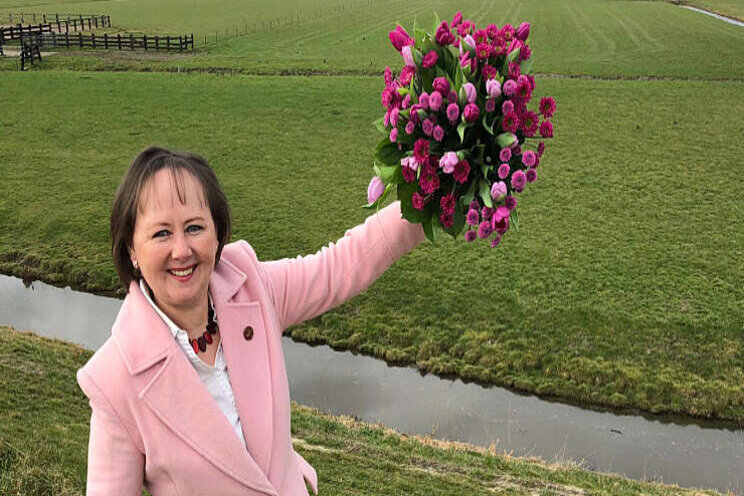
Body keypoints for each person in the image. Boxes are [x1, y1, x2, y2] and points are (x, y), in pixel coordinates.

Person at [76, 146, 425, 495]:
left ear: (217, 233)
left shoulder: (251, 287)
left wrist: (433, 198)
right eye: (161, 233)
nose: (182, 250)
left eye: (195, 227)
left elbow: (339, 267)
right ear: (132, 251)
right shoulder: (115, 380)